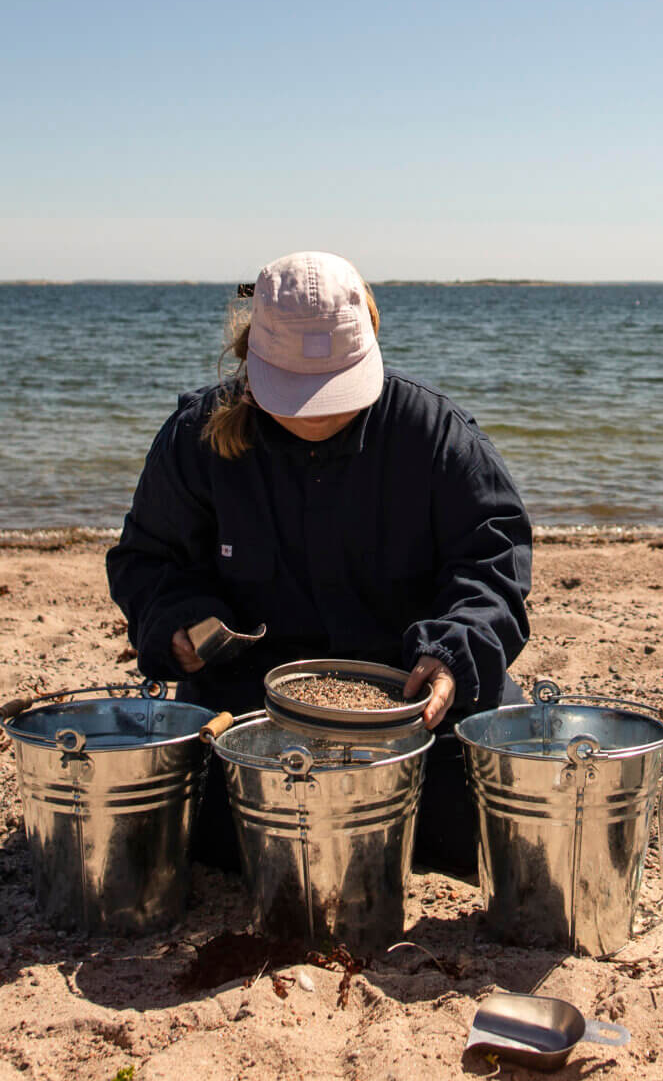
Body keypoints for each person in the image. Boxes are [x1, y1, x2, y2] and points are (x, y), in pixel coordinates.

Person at [106, 251, 532, 877]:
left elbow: (493, 558)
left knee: (487, 820)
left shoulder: (434, 434)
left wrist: (456, 649)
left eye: (334, 392)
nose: (316, 412)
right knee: (211, 834)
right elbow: (146, 559)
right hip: (253, 714)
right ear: (253, 363)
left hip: (408, 708)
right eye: (296, 395)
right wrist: (175, 622)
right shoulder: (198, 436)